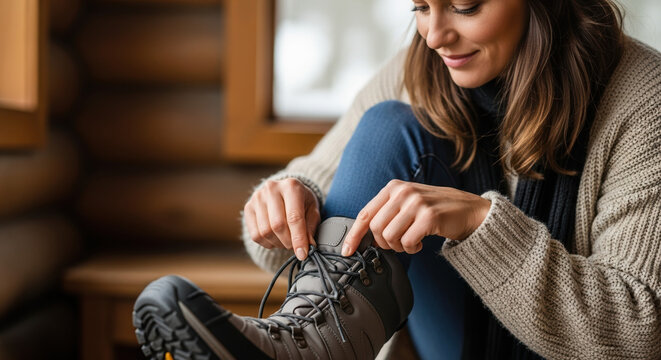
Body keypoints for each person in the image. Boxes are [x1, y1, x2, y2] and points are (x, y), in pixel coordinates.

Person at [132, 0, 661, 359]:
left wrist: (480, 226)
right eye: (421, 7)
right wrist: (284, 205)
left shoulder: (645, 99)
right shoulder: (417, 71)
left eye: (465, 6)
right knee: (390, 124)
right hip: (447, 340)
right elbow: (273, 250)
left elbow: (638, 333)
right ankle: (305, 347)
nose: (435, 35)